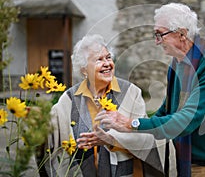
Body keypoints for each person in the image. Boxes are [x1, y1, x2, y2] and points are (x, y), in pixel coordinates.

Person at [96, 3, 205, 177]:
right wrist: (117, 134)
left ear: (182, 34)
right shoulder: (177, 64)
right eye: (155, 34)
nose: (156, 41)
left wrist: (131, 124)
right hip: (189, 161)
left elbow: (187, 119)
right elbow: (167, 112)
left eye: (160, 34)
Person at [39, 34, 164, 177]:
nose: (107, 63)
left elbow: (146, 139)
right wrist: (36, 121)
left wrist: (110, 139)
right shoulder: (69, 99)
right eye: (99, 59)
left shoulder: (131, 92)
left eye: (108, 57)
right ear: (84, 69)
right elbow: (52, 136)